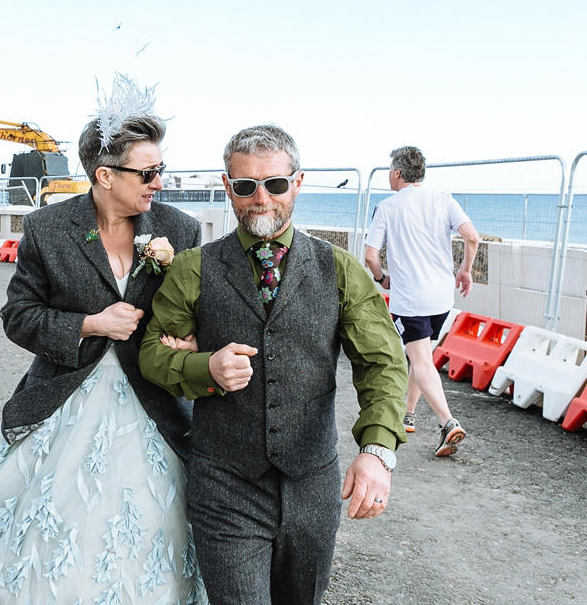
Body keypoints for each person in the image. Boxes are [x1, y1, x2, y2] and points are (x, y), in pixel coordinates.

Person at [0, 75, 207, 603]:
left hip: (154, 400)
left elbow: (197, 311)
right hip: (62, 395)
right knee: (35, 524)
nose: (158, 182)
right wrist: (90, 324)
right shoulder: (48, 228)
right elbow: (19, 316)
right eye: (148, 172)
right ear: (104, 174)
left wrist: (189, 340)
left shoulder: (180, 230)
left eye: (160, 169)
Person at [138, 124, 408, 605]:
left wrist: (378, 450)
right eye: (246, 186)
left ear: (297, 183)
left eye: (275, 184)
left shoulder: (340, 269)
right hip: (225, 488)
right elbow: (152, 356)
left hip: (313, 488)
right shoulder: (193, 268)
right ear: (228, 187)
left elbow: (382, 363)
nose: (261, 198)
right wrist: (205, 368)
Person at [363, 145, 480, 457]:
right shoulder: (444, 200)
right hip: (442, 298)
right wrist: (465, 270)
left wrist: (380, 278)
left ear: (398, 173)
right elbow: (472, 236)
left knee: (420, 359)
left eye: (390, 169)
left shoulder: (387, 207)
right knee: (422, 356)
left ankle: (448, 423)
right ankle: (409, 414)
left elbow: (370, 255)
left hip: (410, 300)